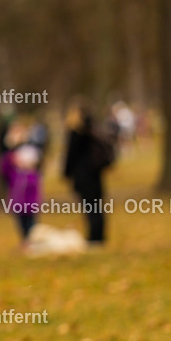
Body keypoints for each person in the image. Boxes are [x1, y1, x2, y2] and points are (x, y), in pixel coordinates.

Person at [63, 101, 113, 245]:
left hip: (83, 175)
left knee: (90, 206)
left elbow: (71, 155)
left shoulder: (76, 133)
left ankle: (94, 236)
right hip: (95, 174)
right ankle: (99, 234)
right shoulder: (94, 129)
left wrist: (66, 173)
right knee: (97, 205)